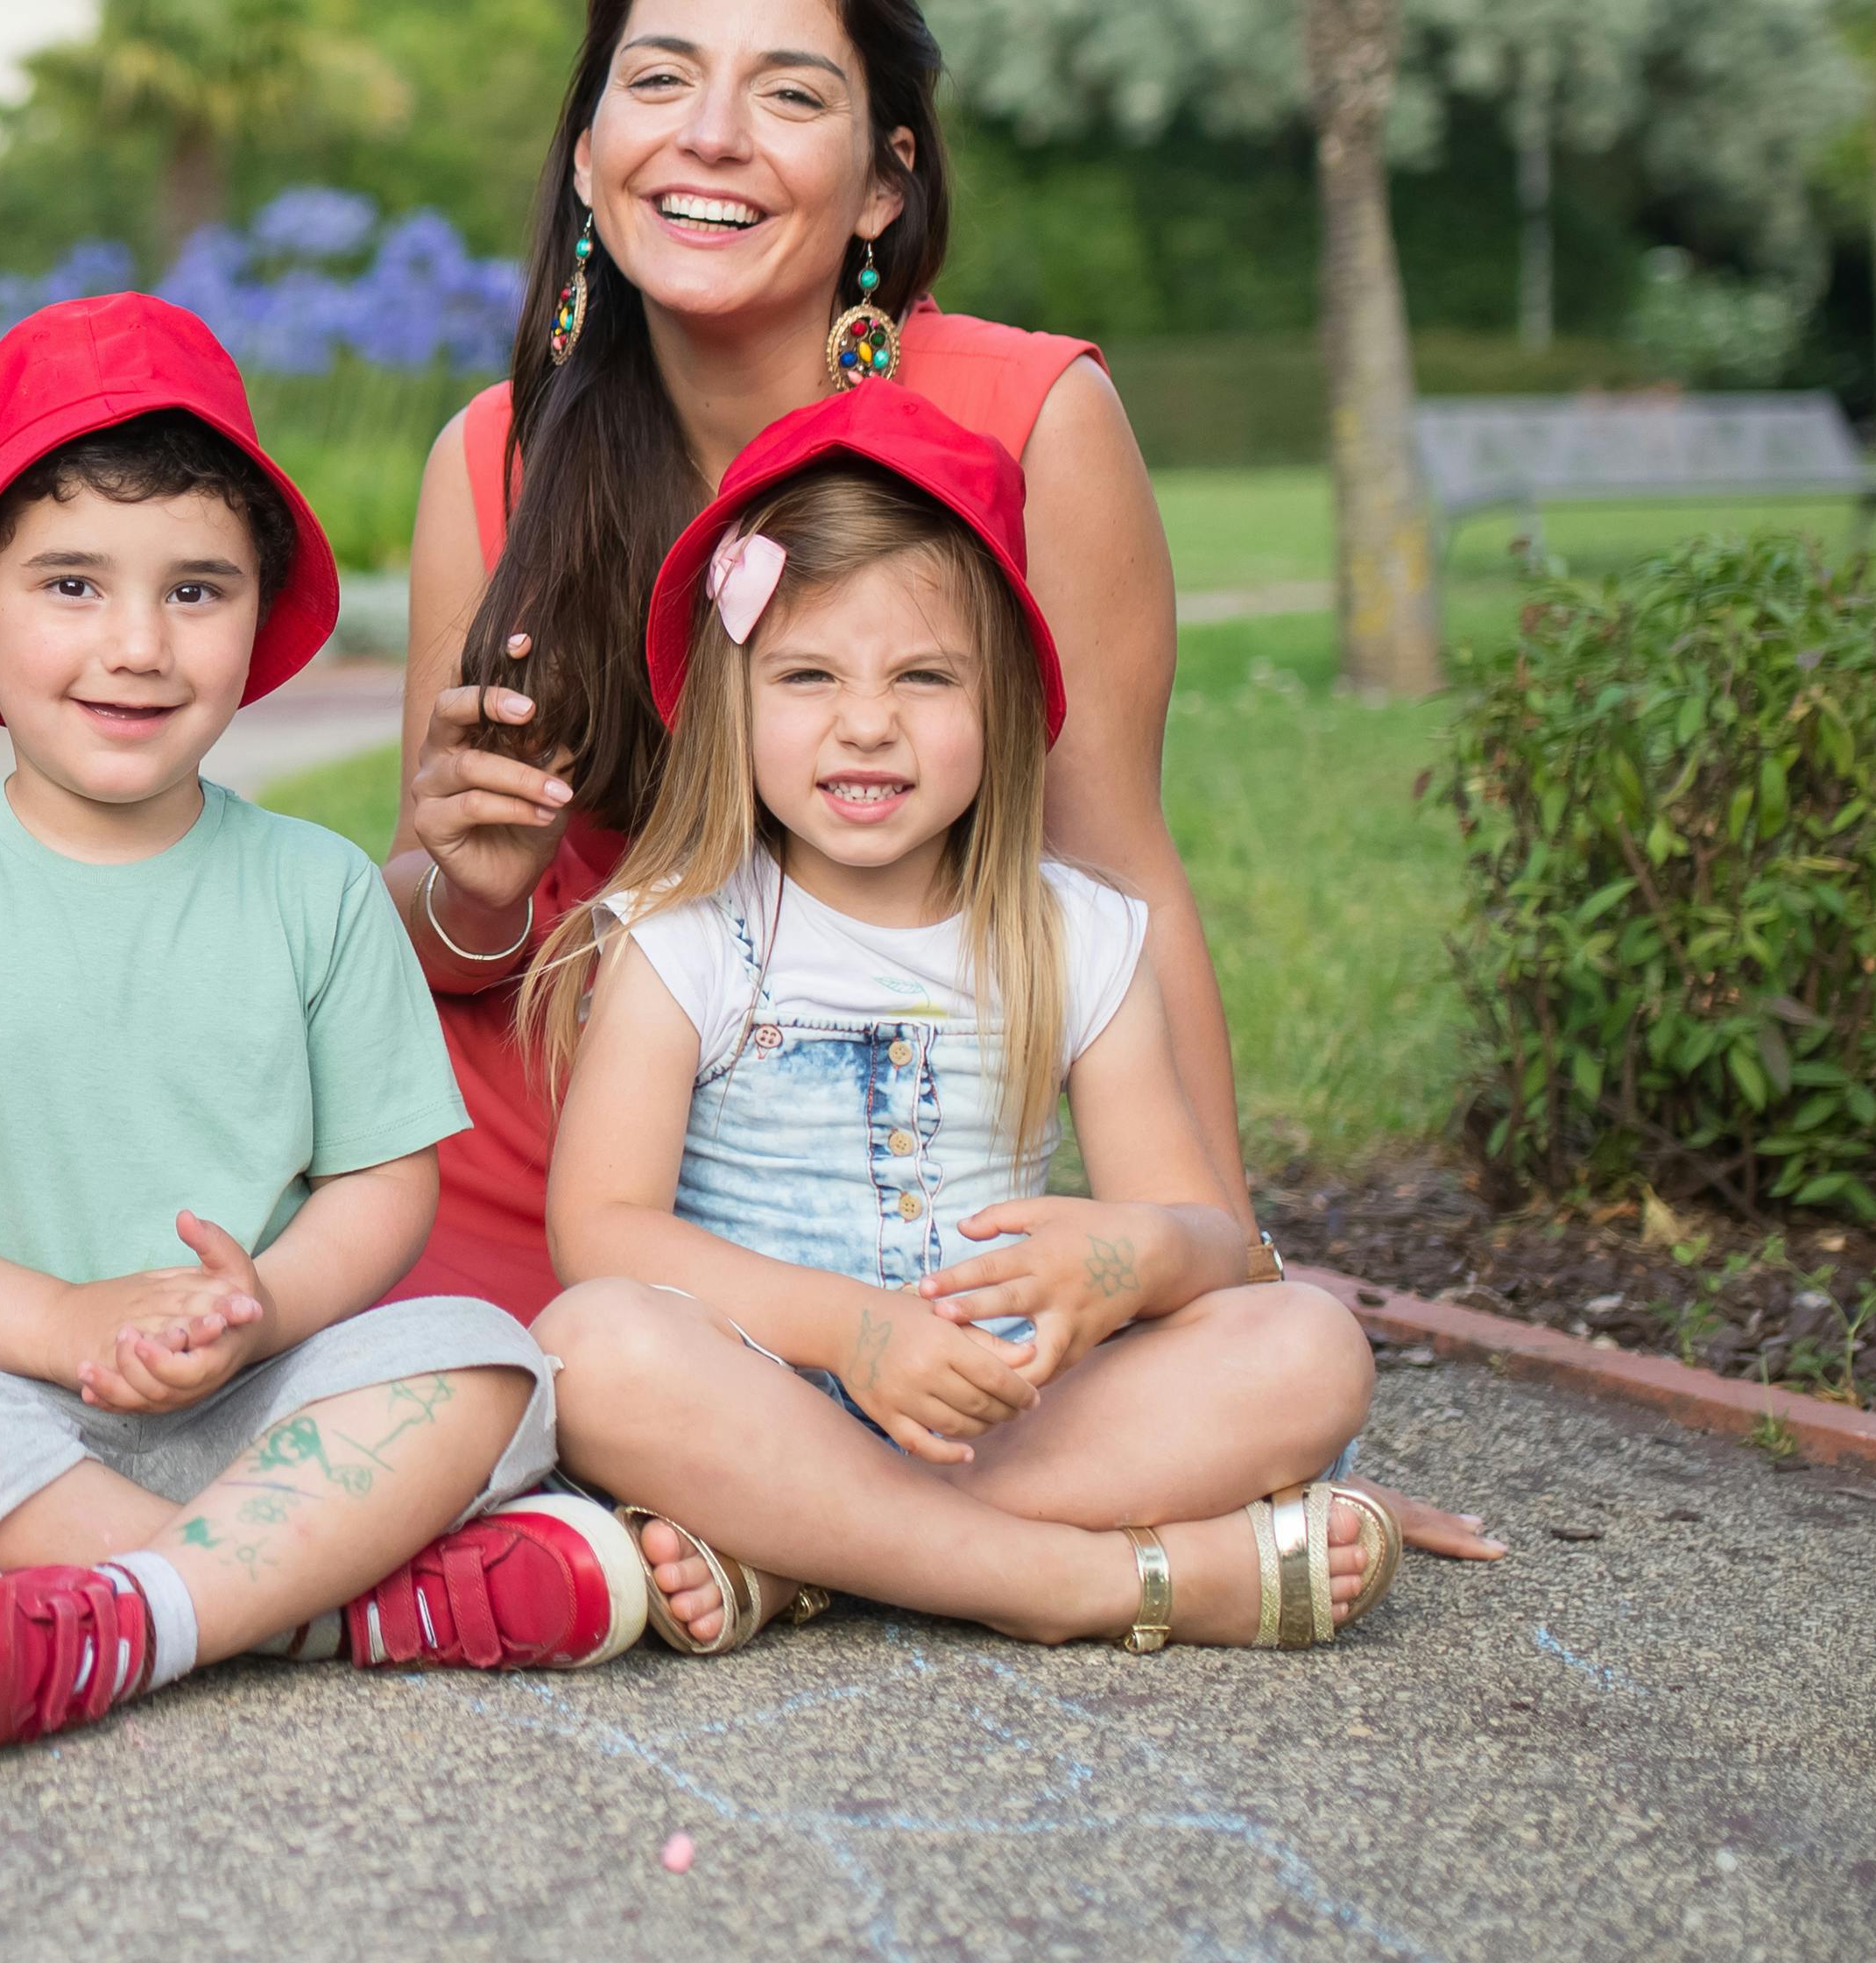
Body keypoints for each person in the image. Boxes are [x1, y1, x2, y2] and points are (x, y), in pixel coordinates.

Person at [384, 0, 1492, 1566]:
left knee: (1287, 1352)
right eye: (659, 77)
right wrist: (459, 885)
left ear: (885, 181)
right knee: (469, 1346)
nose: (711, 135)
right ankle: (1076, 1568)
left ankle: (795, 1531)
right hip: (597, 1150)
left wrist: (1207, 1292)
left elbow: (1119, 872)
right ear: (590, 149)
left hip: (919, 1208)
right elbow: (457, 956)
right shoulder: (493, 461)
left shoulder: (1030, 415)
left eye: (793, 92)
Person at [0, 296, 655, 1771]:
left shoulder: (315, 889)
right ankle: (326, 1603)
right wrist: (56, 1324)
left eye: (196, 591)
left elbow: (385, 1182)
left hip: (263, 1396)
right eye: (69, 584)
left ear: (258, 622)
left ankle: (131, 1612)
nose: (136, 643)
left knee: (487, 1359)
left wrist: (267, 1312)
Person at [532, 383, 1397, 1651]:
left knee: (1311, 1347)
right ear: (733, 701)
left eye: (925, 676)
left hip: (1011, 1417)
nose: (867, 722)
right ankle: (1100, 1584)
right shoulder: (684, 932)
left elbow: (1203, 1232)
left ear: (1000, 707)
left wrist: (1119, 1264)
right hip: (759, 1398)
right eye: (809, 674)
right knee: (591, 1350)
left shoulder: (1074, 935)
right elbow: (600, 1232)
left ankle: (808, 1554)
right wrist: (851, 1328)